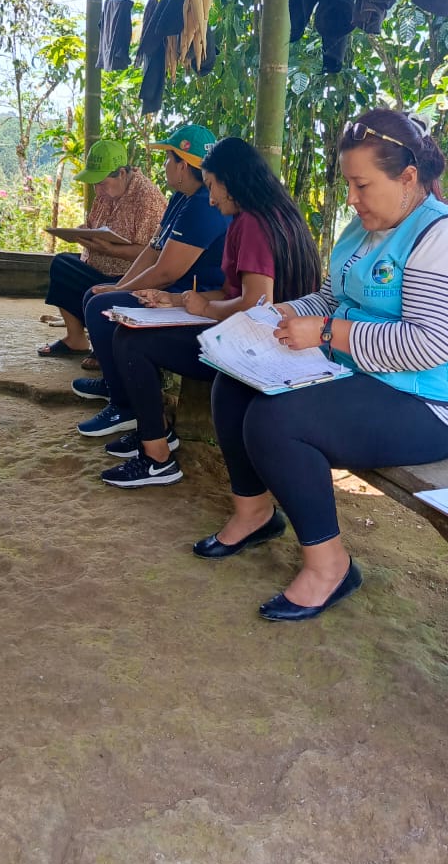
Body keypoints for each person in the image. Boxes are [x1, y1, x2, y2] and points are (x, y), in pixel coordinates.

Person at [205, 106, 448, 622]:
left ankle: (329, 567)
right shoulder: (361, 229)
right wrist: (285, 312)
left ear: (408, 178)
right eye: (349, 185)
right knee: (234, 384)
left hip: (425, 401)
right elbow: (331, 299)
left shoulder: (437, 238)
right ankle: (254, 513)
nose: (352, 199)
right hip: (358, 376)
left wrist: (324, 332)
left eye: (362, 185)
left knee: (277, 420)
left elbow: (429, 344)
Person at [99, 136, 321, 488]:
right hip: (278, 344)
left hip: (258, 349)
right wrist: (178, 301)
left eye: (213, 186)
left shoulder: (251, 224)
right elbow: (237, 295)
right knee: (134, 333)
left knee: (131, 341)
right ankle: (153, 437)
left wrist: (204, 307)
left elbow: (257, 304)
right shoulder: (279, 214)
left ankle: (157, 457)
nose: (212, 198)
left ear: (231, 182)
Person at [73, 123, 229, 437]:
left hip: (193, 298)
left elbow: (166, 272)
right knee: (97, 296)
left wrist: (119, 290)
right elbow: (153, 250)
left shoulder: (203, 205)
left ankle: (125, 407)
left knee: (101, 308)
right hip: (174, 289)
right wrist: (119, 286)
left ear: (183, 166)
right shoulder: (181, 198)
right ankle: (115, 383)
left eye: (169, 158)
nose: (165, 165)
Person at [38, 139, 165, 357]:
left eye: (102, 183)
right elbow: (95, 225)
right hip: (97, 265)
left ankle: (105, 347)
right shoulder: (107, 193)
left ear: (122, 174)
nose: (98, 190)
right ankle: (75, 339)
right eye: (95, 184)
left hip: (127, 278)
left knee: (97, 292)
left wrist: (110, 250)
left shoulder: (147, 199)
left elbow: (153, 253)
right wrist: (82, 233)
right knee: (61, 264)